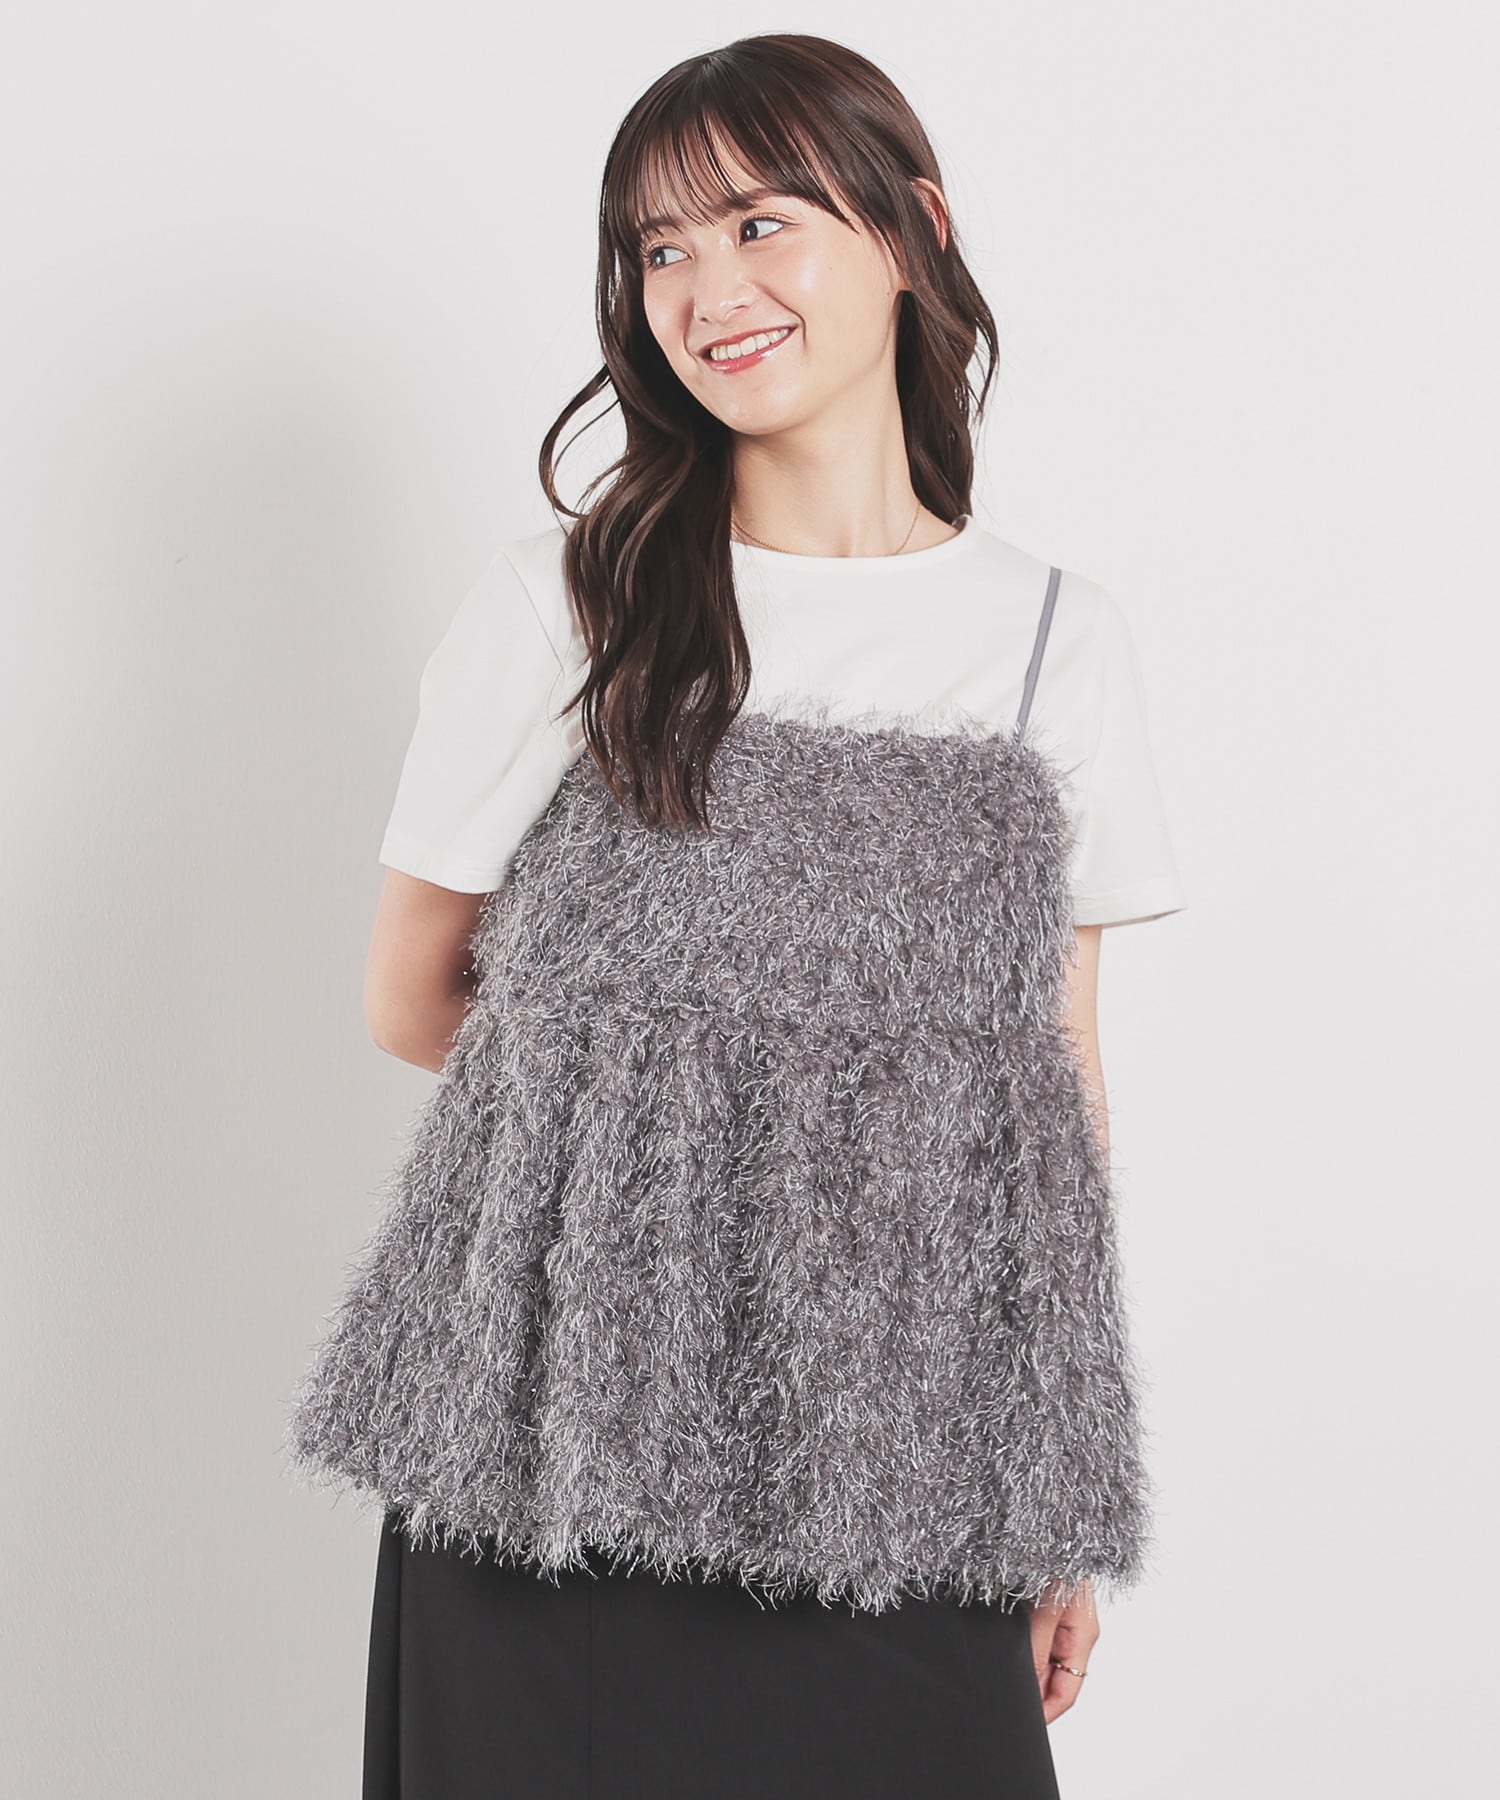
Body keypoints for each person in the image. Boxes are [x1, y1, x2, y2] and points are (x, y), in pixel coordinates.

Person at [284, 32, 1187, 1800]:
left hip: (906, 1445)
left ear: (912, 231)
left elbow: (1054, 1092)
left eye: (763, 223)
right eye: (662, 247)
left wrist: (1054, 1487)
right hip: (561, 1440)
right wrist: (703, 1164)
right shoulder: (572, 602)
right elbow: (412, 998)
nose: (710, 290)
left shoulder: (1052, 642)